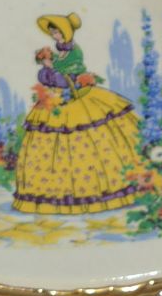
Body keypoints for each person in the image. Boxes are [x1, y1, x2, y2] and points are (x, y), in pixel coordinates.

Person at [11, 13, 146, 215]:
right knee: (52, 146)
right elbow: (53, 73)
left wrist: (52, 70)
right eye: (52, 32)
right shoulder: (60, 54)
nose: (54, 35)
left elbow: (70, 75)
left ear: (65, 32)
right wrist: (47, 67)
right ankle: (57, 193)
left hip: (76, 95)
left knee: (89, 140)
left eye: (57, 31)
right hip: (58, 98)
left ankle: (103, 190)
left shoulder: (74, 51)